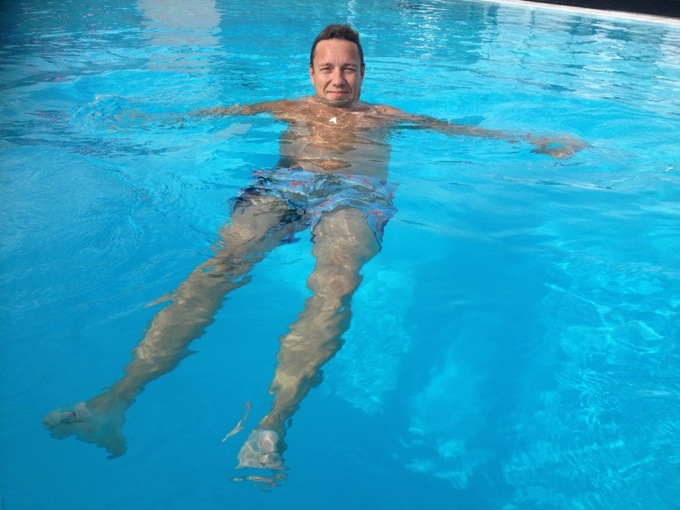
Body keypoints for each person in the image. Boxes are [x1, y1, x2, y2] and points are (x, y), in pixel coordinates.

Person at [43, 24, 584, 470]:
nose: (337, 78)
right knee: (221, 264)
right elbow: (212, 116)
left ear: (363, 72)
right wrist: (141, 121)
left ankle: (272, 423)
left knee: (336, 283)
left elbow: (461, 132)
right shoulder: (289, 107)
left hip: (354, 193)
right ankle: (115, 399)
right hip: (287, 186)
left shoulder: (386, 116)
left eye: (348, 68)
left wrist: (535, 141)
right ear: (311, 73)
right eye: (327, 68)